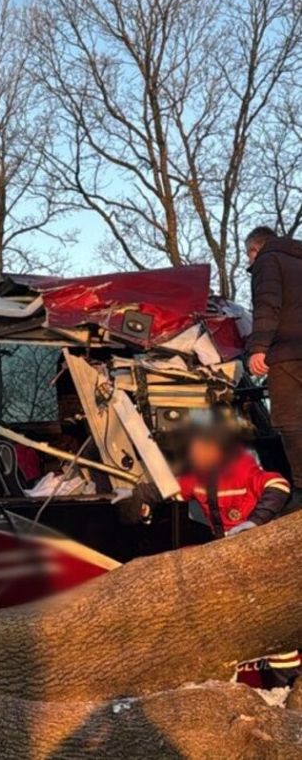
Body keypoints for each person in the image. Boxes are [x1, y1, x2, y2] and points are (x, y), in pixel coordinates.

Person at [174, 424, 297, 687]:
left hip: (256, 555)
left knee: (270, 624)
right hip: (226, 557)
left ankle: (288, 685)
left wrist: (254, 522)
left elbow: (279, 486)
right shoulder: (198, 476)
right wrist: (138, 494)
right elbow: (170, 489)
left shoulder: (243, 470)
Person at [246, 226, 302, 483]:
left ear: (255, 249)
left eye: (249, 256)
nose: (250, 263)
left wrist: (258, 348)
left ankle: (300, 486)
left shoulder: (267, 260)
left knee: (290, 422)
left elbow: (268, 305)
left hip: (287, 353)